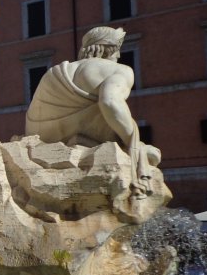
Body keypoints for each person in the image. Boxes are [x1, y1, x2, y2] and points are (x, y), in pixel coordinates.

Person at [24, 26, 160, 195]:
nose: (118, 56)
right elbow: (110, 102)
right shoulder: (120, 70)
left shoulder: (53, 72)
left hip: (44, 144)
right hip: (89, 146)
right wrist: (133, 142)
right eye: (117, 50)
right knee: (151, 153)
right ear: (109, 49)